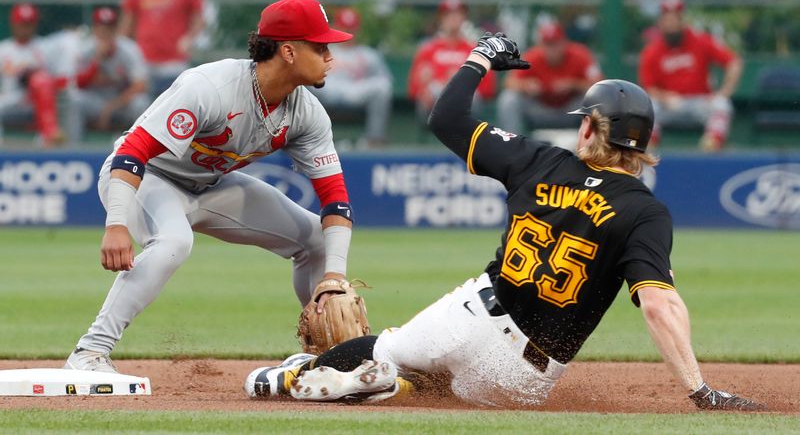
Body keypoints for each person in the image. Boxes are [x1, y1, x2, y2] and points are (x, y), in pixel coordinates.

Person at [245, 32, 765, 412]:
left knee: (388, 348)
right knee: (443, 391)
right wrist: (699, 389)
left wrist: (480, 58)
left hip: (474, 314)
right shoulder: (644, 211)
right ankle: (387, 383)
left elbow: (446, 119)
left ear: (588, 126)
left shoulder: (538, 159)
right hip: (520, 379)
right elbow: (659, 303)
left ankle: (299, 377)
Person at [63, 0, 357, 373]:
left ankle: (324, 357)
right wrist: (117, 223)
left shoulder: (307, 112)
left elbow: (336, 201)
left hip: (211, 185)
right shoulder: (211, 87)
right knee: (174, 241)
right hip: (149, 178)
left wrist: (334, 276)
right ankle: (89, 352)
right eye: (320, 47)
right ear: (288, 51)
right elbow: (132, 153)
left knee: (317, 239)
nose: (330, 56)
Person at [638, 0, 742, 151]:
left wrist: (724, 91)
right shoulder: (651, 51)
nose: (672, 24)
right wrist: (665, 97)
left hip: (699, 102)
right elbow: (648, 88)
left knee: (722, 104)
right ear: (661, 22)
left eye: (676, 19)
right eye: (667, 19)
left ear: (682, 20)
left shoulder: (701, 40)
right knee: (648, 106)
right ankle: (648, 147)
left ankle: (711, 145)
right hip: (670, 104)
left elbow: (734, 62)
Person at [120, 0, 204, 99]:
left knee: (177, 106)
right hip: (144, 59)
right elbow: (127, 21)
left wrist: (189, 39)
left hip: (174, 60)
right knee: (141, 107)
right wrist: (124, 50)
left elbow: (198, 20)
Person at [497, 21, 603, 134]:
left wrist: (573, 85)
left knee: (597, 99)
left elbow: (599, 85)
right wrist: (526, 85)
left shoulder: (580, 54)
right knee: (509, 99)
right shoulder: (532, 57)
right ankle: (512, 145)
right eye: (548, 45)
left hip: (572, 110)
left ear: (564, 42)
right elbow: (508, 82)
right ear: (541, 45)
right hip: (541, 111)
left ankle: (597, 148)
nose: (552, 50)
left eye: (556, 43)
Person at [310, 8, 393, 148]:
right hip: (326, 91)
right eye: (344, 28)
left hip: (357, 91)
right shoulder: (319, 51)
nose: (347, 32)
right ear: (335, 27)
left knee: (382, 87)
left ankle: (374, 140)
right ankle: (309, 139)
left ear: (358, 30)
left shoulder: (368, 54)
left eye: (351, 29)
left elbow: (385, 81)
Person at [407, 0, 496, 126]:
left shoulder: (475, 50)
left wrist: (462, 81)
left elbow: (489, 89)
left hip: (466, 105)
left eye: (458, 14)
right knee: (432, 91)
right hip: (433, 106)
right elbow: (412, 89)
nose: (453, 19)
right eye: (448, 15)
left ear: (464, 18)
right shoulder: (427, 49)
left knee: (465, 92)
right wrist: (423, 86)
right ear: (441, 19)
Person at [66, 7, 150, 143]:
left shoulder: (129, 49)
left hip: (122, 103)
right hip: (96, 101)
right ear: (94, 29)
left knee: (141, 102)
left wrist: (111, 107)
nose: (105, 33)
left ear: (116, 30)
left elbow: (141, 86)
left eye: (109, 28)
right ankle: (73, 148)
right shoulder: (85, 50)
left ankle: (140, 149)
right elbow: (76, 84)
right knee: (74, 99)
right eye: (101, 28)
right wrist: (97, 60)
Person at [0, 3, 64, 146]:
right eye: (22, 24)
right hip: (11, 98)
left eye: (29, 24)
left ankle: (48, 139)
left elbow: (57, 79)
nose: (25, 28)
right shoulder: (3, 49)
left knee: (41, 81)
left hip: (37, 100)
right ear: (13, 24)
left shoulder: (45, 46)